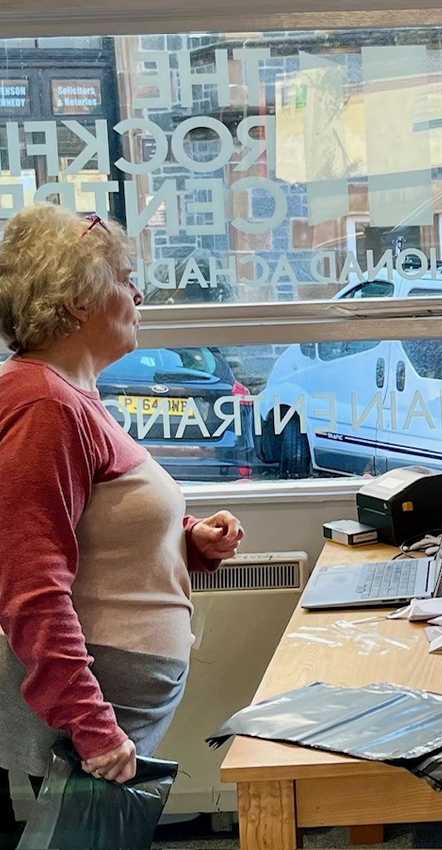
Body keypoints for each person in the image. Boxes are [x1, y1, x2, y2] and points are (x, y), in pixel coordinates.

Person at [0, 204, 244, 837]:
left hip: (116, 696)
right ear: (78, 299)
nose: (137, 292)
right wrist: (92, 726)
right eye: (124, 277)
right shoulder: (42, 404)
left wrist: (190, 541)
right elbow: (30, 586)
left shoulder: (74, 394)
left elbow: (101, 537)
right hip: (92, 707)